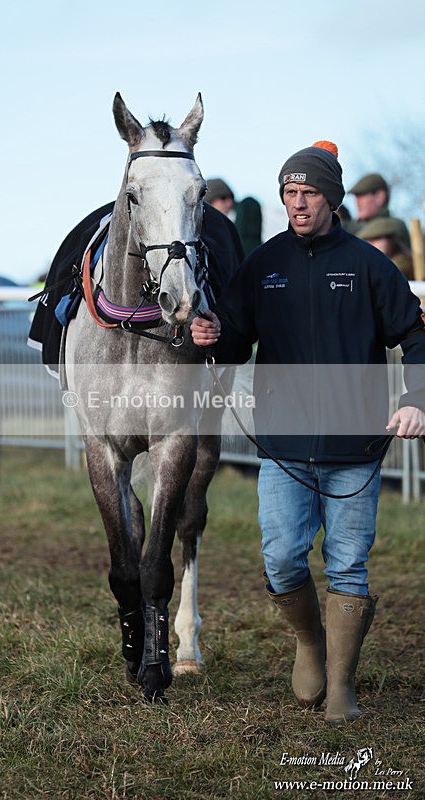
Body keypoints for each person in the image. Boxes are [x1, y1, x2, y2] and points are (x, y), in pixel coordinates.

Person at [191, 140, 425, 724]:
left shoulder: (371, 265)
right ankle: (311, 644)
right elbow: (235, 339)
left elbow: (417, 338)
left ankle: (342, 687)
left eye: (309, 192)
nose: (297, 203)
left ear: (333, 198)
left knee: (348, 565)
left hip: (358, 447)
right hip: (283, 447)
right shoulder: (263, 265)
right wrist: (212, 336)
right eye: (289, 193)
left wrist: (416, 399)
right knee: (282, 559)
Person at [346, 172, 410, 248]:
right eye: (356, 197)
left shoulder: (393, 227)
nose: (357, 202)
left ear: (380, 197)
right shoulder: (353, 227)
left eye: (361, 195)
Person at [358, 216, 414, 280]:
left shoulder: (401, 268)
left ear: (392, 241)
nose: (370, 244)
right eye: (367, 240)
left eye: (376, 238)